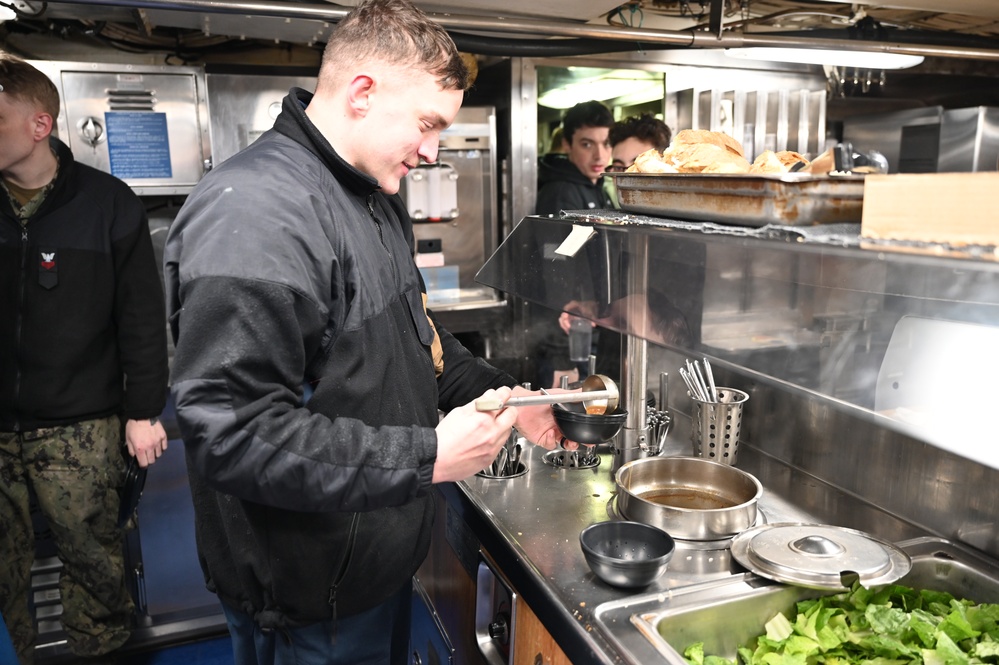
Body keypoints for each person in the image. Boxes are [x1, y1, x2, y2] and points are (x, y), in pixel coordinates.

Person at [163, 2, 571, 663]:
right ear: (362, 93)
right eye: (427, 124)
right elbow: (232, 435)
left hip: (371, 569)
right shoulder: (260, 214)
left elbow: (418, 341)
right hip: (303, 599)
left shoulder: (374, 200)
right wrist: (429, 455)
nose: (434, 150)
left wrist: (508, 396)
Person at [0, 53, 169, 665]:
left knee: (95, 567)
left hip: (79, 429)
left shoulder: (106, 202)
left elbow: (142, 319)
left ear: (39, 126)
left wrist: (145, 410)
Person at [535, 99, 614, 216]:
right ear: (567, 145)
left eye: (606, 143)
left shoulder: (596, 184)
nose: (599, 155)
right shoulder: (560, 193)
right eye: (587, 144)